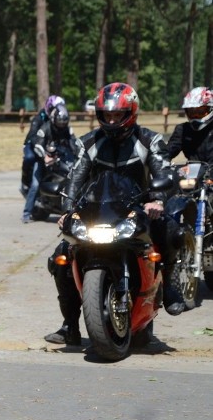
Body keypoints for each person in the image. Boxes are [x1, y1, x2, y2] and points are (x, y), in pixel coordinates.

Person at [45, 82, 185, 346]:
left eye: (116, 115)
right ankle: (69, 326)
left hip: (139, 210)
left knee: (171, 231)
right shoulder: (89, 142)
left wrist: (157, 199)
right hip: (98, 212)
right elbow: (75, 178)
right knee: (60, 259)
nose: (111, 120)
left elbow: (165, 172)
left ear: (130, 112)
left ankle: (171, 285)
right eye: (107, 115)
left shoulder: (149, 140)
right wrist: (66, 210)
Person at [22, 103, 79, 223]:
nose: (61, 125)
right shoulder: (45, 128)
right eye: (59, 122)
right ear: (54, 119)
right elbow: (37, 144)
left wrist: (78, 154)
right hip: (43, 159)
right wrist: (45, 157)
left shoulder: (68, 129)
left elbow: (74, 143)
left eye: (64, 123)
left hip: (61, 157)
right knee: (35, 185)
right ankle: (27, 213)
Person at [21, 95, 65, 197]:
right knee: (29, 157)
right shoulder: (39, 117)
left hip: (49, 145)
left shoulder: (57, 118)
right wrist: (42, 150)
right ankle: (25, 181)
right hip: (32, 143)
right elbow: (33, 136)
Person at [166, 86, 213, 163]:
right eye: (191, 112)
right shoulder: (183, 130)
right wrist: (159, 162)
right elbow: (167, 153)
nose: (195, 116)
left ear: (211, 109)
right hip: (193, 173)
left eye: (200, 112)